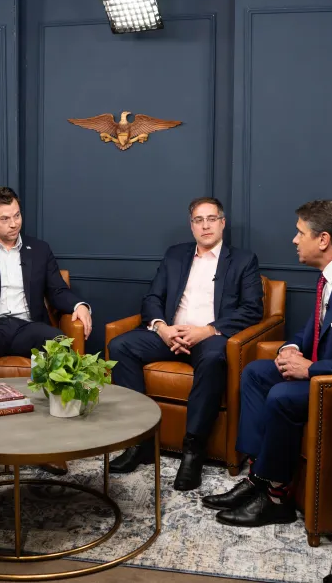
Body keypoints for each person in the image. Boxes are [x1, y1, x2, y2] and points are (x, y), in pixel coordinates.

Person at [201, 200, 332, 526]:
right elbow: (313, 328)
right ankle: (259, 477)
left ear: (323, 239)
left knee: (283, 397)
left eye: (300, 233)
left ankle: (275, 499)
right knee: (257, 372)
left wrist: (310, 368)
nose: (295, 240)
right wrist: (290, 348)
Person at [107, 197, 263, 491]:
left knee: (216, 357)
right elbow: (152, 298)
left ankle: (193, 451)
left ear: (222, 223)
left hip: (209, 339)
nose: (205, 225)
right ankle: (139, 442)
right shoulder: (175, 255)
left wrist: (207, 331)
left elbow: (252, 310)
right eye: (198, 220)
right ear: (191, 226)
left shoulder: (243, 260)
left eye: (211, 219)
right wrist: (163, 328)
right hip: (170, 334)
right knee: (120, 346)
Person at [0, 186, 93, 480]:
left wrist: (79, 305)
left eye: (17, 216)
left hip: (28, 325)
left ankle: (51, 447)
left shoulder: (39, 249)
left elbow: (57, 290)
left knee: (59, 344)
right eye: (4, 219)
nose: (13, 224)